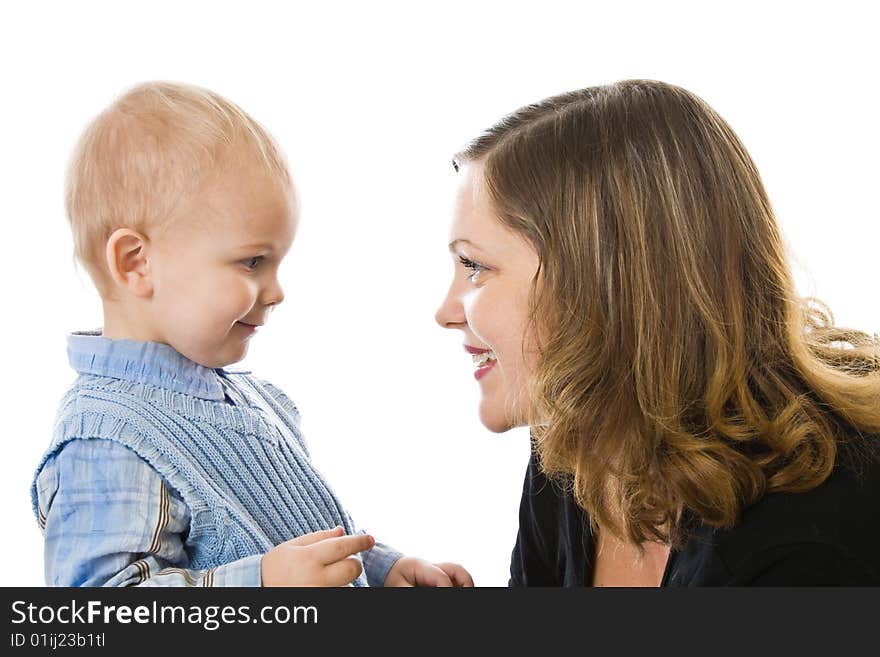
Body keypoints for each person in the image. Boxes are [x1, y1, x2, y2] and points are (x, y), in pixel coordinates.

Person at [435, 79, 880, 586]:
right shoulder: (575, 440)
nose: (446, 311)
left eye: (475, 265)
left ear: (598, 283)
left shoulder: (808, 544)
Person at [32, 81, 474, 588]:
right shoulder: (106, 440)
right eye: (253, 262)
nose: (276, 291)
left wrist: (379, 567)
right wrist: (260, 586)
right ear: (138, 263)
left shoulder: (249, 401)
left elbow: (291, 538)